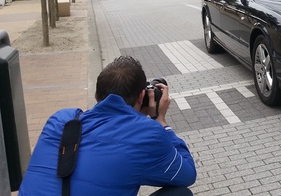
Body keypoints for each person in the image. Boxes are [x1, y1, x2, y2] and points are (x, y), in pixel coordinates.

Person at [19, 56, 197, 196]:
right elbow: (187, 174)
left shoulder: (61, 119)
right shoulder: (147, 133)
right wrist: (160, 121)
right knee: (180, 193)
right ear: (142, 97)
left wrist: (134, 118)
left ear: (97, 94)